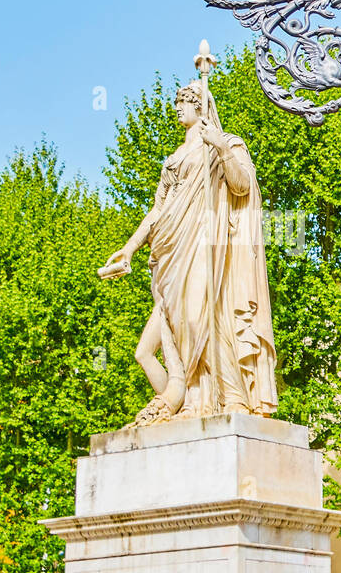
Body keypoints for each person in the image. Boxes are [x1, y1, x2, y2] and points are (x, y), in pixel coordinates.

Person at [100, 78, 278, 426]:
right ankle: (188, 401)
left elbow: (242, 186)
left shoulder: (224, 144)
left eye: (187, 100)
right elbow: (158, 213)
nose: (179, 106)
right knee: (176, 329)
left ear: (202, 106)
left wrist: (220, 148)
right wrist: (130, 247)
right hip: (170, 254)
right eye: (179, 100)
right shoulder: (172, 161)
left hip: (206, 248)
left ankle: (226, 397)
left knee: (201, 319)